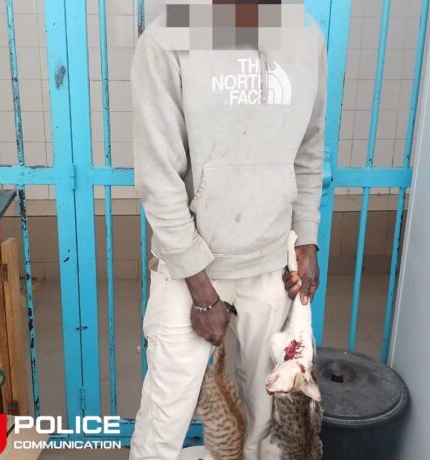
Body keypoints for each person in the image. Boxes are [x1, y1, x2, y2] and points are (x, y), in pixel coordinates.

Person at [129, 3, 327, 459]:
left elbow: (309, 150)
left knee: (264, 416)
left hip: (271, 265)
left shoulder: (303, 34)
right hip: (189, 271)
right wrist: (202, 292)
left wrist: (306, 239)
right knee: (165, 418)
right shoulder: (167, 39)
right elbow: (159, 179)